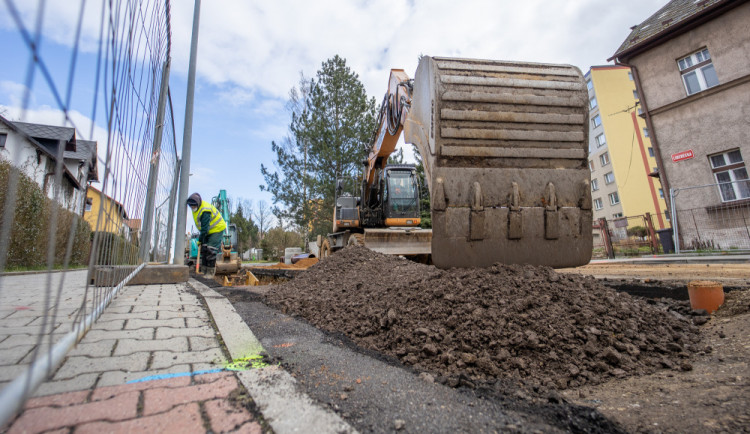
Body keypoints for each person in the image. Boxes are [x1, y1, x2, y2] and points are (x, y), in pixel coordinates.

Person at [186, 193, 227, 277]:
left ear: (198, 204)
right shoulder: (196, 209)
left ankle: (210, 273)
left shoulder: (205, 210)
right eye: (191, 207)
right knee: (204, 249)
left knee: (211, 250)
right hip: (208, 230)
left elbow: (204, 229)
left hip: (217, 228)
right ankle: (204, 270)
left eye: (194, 206)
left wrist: (200, 240)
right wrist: (202, 241)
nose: (192, 208)